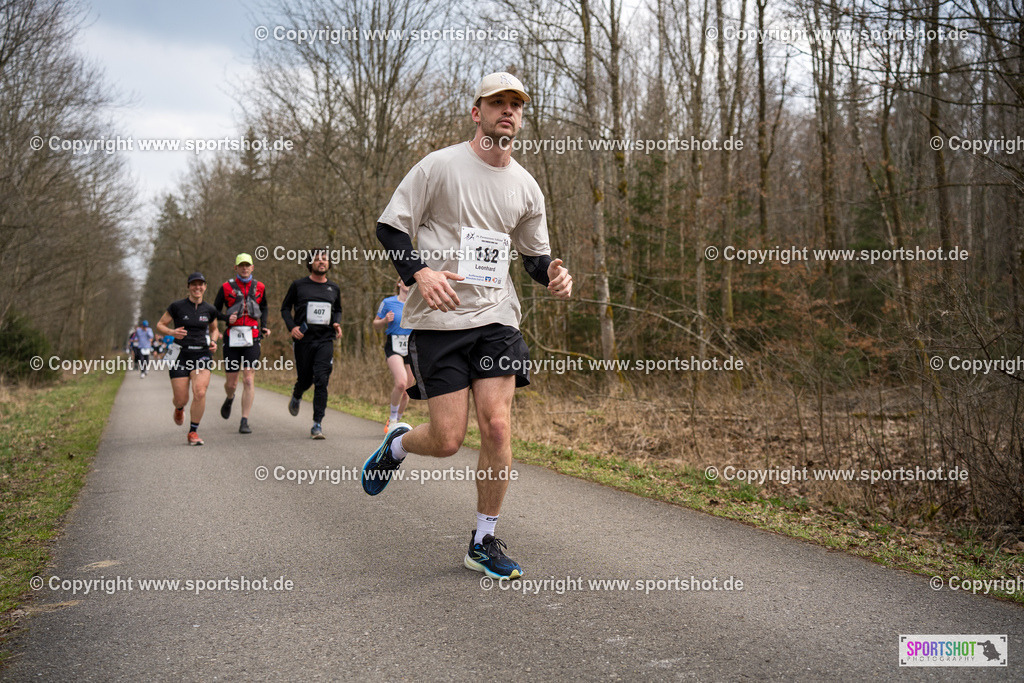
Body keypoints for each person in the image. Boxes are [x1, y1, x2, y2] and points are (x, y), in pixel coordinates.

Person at [361, 72, 573, 580]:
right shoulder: (439, 166)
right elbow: (389, 225)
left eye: (516, 105)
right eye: (497, 102)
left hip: (497, 318)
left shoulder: (525, 185)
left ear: (521, 118)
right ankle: (397, 443)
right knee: (449, 438)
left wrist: (553, 276)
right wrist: (419, 271)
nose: (508, 111)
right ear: (476, 112)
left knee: (497, 425)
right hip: (438, 320)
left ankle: (483, 539)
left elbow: (532, 256)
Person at [280, 249, 342, 439]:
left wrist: (336, 323)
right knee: (306, 379)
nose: (321, 262)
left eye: (325, 258)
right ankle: (298, 393)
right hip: (303, 340)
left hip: (325, 340)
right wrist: (292, 327)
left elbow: (337, 309)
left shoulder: (334, 288)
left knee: (322, 380)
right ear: (310, 263)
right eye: (317, 259)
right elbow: (284, 308)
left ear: (329, 264)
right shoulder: (298, 285)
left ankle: (317, 424)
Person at [155, 272, 221, 446]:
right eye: (194, 284)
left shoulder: (210, 309)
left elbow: (214, 329)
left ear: (205, 287)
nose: (197, 287)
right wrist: (172, 332)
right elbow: (160, 325)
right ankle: (179, 408)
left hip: (201, 354)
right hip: (179, 354)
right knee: (181, 398)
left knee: (199, 391)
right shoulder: (177, 307)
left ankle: (193, 431)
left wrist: (213, 341)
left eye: (201, 284)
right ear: (188, 287)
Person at [214, 253, 270, 434]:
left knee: (248, 379)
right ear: (235, 268)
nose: (245, 268)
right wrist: (224, 318)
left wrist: (264, 327)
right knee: (231, 383)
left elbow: (264, 307)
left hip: (252, 338)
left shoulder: (260, 287)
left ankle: (244, 420)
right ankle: (230, 397)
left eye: (248, 265)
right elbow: (213, 310)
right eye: (241, 265)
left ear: (252, 267)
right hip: (232, 337)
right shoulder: (226, 287)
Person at [372, 279, 415, 432]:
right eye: (404, 280)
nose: (407, 283)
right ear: (398, 284)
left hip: (411, 347)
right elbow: (375, 324)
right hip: (394, 345)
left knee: (407, 391)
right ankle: (392, 419)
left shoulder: (417, 303)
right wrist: (384, 320)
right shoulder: (388, 302)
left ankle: (397, 421)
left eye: (411, 280)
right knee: (401, 383)